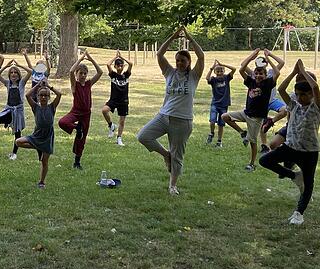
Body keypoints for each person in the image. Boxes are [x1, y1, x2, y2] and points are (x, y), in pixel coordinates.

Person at [137, 27, 204, 196]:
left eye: (183, 60)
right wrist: (173, 37)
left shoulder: (194, 76)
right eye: (178, 60)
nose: (179, 63)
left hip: (183, 121)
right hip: (164, 116)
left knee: (178, 155)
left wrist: (189, 37)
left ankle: (172, 185)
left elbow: (201, 56)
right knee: (143, 136)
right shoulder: (169, 73)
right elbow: (159, 54)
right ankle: (165, 154)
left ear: (189, 62)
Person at [259, 59, 320, 225]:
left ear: (311, 95)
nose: (300, 98)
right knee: (264, 160)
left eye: (304, 95)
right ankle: (294, 175)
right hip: (290, 147)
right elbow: (280, 88)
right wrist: (294, 73)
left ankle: (298, 214)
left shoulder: (316, 107)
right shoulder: (294, 105)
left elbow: (315, 87)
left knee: (308, 184)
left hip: (310, 152)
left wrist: (304, 72)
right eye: (298, 94)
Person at [222, 49, 280, 171]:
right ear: (254, 75)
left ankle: (252, 164)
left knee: (253, 142)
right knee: (225, 117)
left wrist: (268, 58)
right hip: (245, 113)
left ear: (265, 75)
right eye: (256, 73)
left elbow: (277, 73)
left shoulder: (268, 83)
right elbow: (242, 69)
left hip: (256, 118)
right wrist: (252, 57)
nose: (258, 76)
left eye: (261, 74)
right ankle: (242, 133)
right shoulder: (251, 82)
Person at [267, 70, 320, 152]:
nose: (299, 97)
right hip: (291, 127)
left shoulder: (316, 102)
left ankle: (291, 161)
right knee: (273, 144)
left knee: (296, 153)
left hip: (306, 132)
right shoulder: (294, 97)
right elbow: (287, 111)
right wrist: (273, 121)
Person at [58, 50, 103, 169]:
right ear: (77, 75)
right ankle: (77, 128)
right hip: (75, 112)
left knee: (81, 139)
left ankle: (77, 162)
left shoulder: (88, 84)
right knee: (63, 122)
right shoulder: (75, 85)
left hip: (86, 114)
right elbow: (71, 71)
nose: (83, 75)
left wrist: (91, 59)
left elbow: (100, 72)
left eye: (85, 73)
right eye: (81, 73)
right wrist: (81, 58)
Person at [15, 80, 62, 188]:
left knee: (44, 161)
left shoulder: (52, 107)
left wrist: (49, 86)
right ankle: (37, 146)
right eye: (41, 95)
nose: (43, 97)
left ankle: (42, 182)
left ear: (49, 97)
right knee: (18, 142)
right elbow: (27, 95)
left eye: (46, 95)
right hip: (37, 136)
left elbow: (59, 94)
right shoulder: (35, 107)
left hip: (48, 137)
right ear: (38, 96)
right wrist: (37, 85)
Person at [0, 59, 32, 160]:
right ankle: (6, 121)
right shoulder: (8, 83)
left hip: (18, 111)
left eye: (15, 72)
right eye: (11, 72)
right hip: (9, 110)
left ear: (19, 75)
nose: (13, 74)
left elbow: (30, 72)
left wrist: (19, 65)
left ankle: (14, 153)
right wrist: (6, 66)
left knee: (17, 133)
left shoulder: (22, 83)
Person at [101, 51, 132, 146]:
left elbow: (131, 64)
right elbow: (107, 64)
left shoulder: (126, 75)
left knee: (122, 120)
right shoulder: (113, 75)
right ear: (115, 66)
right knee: (104, 110)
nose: (119, 66)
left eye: (121, 65)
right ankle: (111, 126)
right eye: (117, 65)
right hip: (114, 100)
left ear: (123, 66)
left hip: (124, 101)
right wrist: (115, 57)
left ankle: (119, 138)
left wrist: (122, 57)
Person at [205, 60, 236, 147]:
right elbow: (207, 78)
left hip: (224, 105)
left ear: (224, 71)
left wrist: (223, 64)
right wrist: (211, 68)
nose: (219, 73)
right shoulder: (214, 80)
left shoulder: (227, 78)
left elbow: (234, 69)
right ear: (215, 72)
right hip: (215, 104)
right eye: (217, 71)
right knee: (212, 120)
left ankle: (219, 141)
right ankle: (211, 133)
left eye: (221, 71)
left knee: (221, 124)